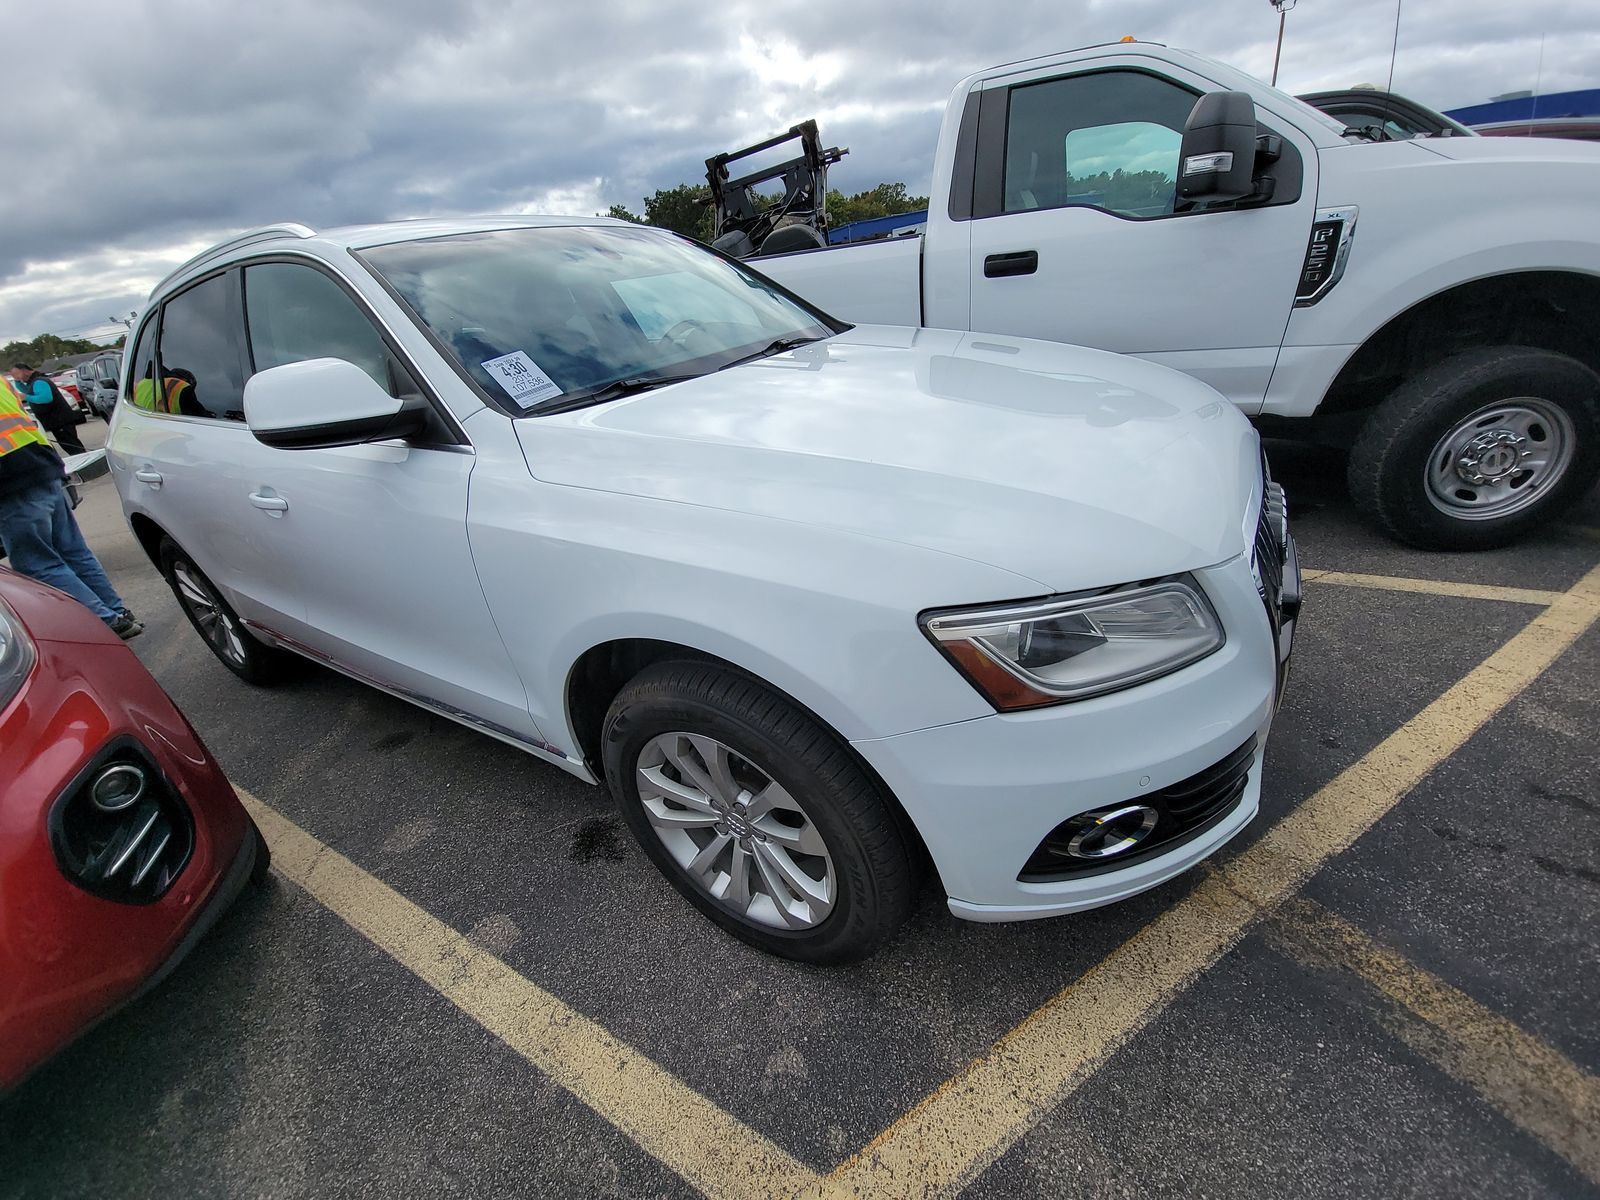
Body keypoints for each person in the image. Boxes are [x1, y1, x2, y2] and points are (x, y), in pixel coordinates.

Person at [0, 374, 140, 638]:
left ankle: (107, 621)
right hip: (40, 465)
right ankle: (117, 611)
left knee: (36, 563)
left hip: (11, 480)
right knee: (73, 550)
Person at [7, 363, 87, 454]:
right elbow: (27, 390)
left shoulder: (39, 381)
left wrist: (26, 397)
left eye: (16, 374)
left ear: (24, 371)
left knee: (72, 444)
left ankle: (85, 459)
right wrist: (17, 381)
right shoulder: (32, 382)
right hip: (54, 421)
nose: (14, 377)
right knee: (67, 444)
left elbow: (45, 398)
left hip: (60, 420)